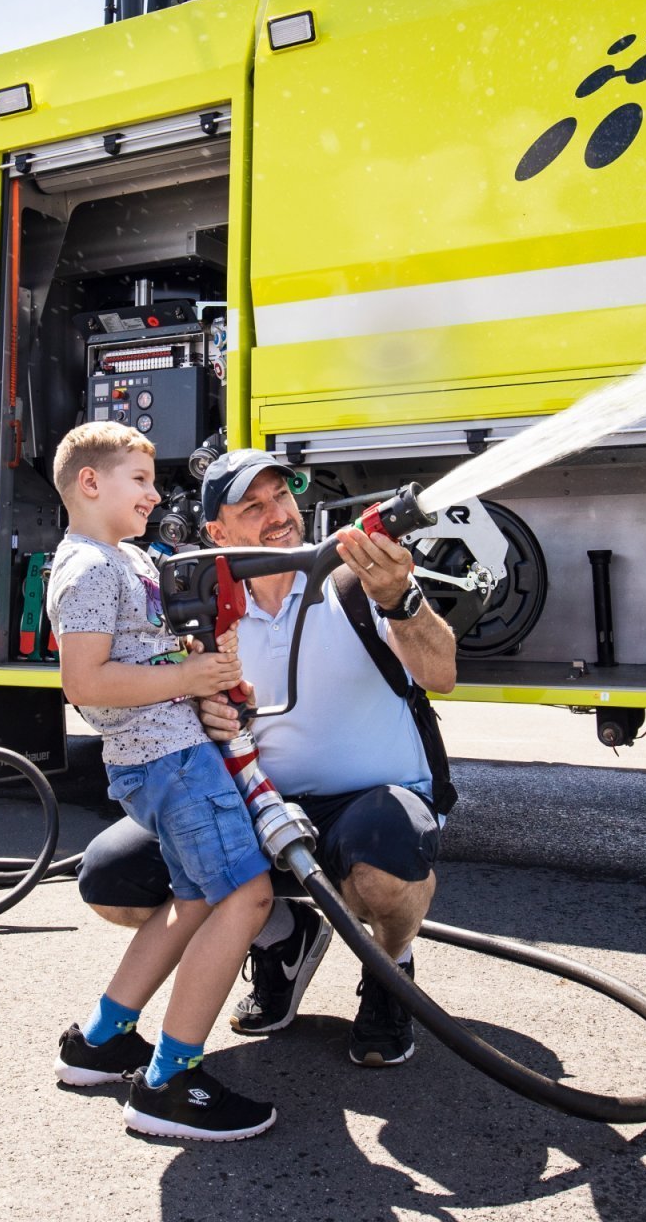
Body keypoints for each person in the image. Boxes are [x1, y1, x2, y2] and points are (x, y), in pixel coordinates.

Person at [78, 447, 459, 1069]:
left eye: (281, 496)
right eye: (252, 506)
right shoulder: (201, 610)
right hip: (253, 803)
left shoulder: (356, 580)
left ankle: (391, 970)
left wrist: (402, 599)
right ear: (217, 534)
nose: (276, 513)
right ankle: (283, 939)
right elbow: (158, 702)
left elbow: (441, 673)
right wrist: (206, 713)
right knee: (111, 878)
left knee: (383, 864)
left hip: (370, 804)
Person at [47, 422, 278, 1143]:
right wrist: (187, 677)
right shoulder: (88, 568)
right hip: (169, 762)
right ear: (91, 483)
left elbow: (161, 649)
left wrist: (212, 671)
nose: (154, 494)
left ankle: (102, 1041)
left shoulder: (129, 560)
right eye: (139, 481)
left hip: (174, 752)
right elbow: (84, 684)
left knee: (190, 899)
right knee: (246, 894)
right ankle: (170, 1083)